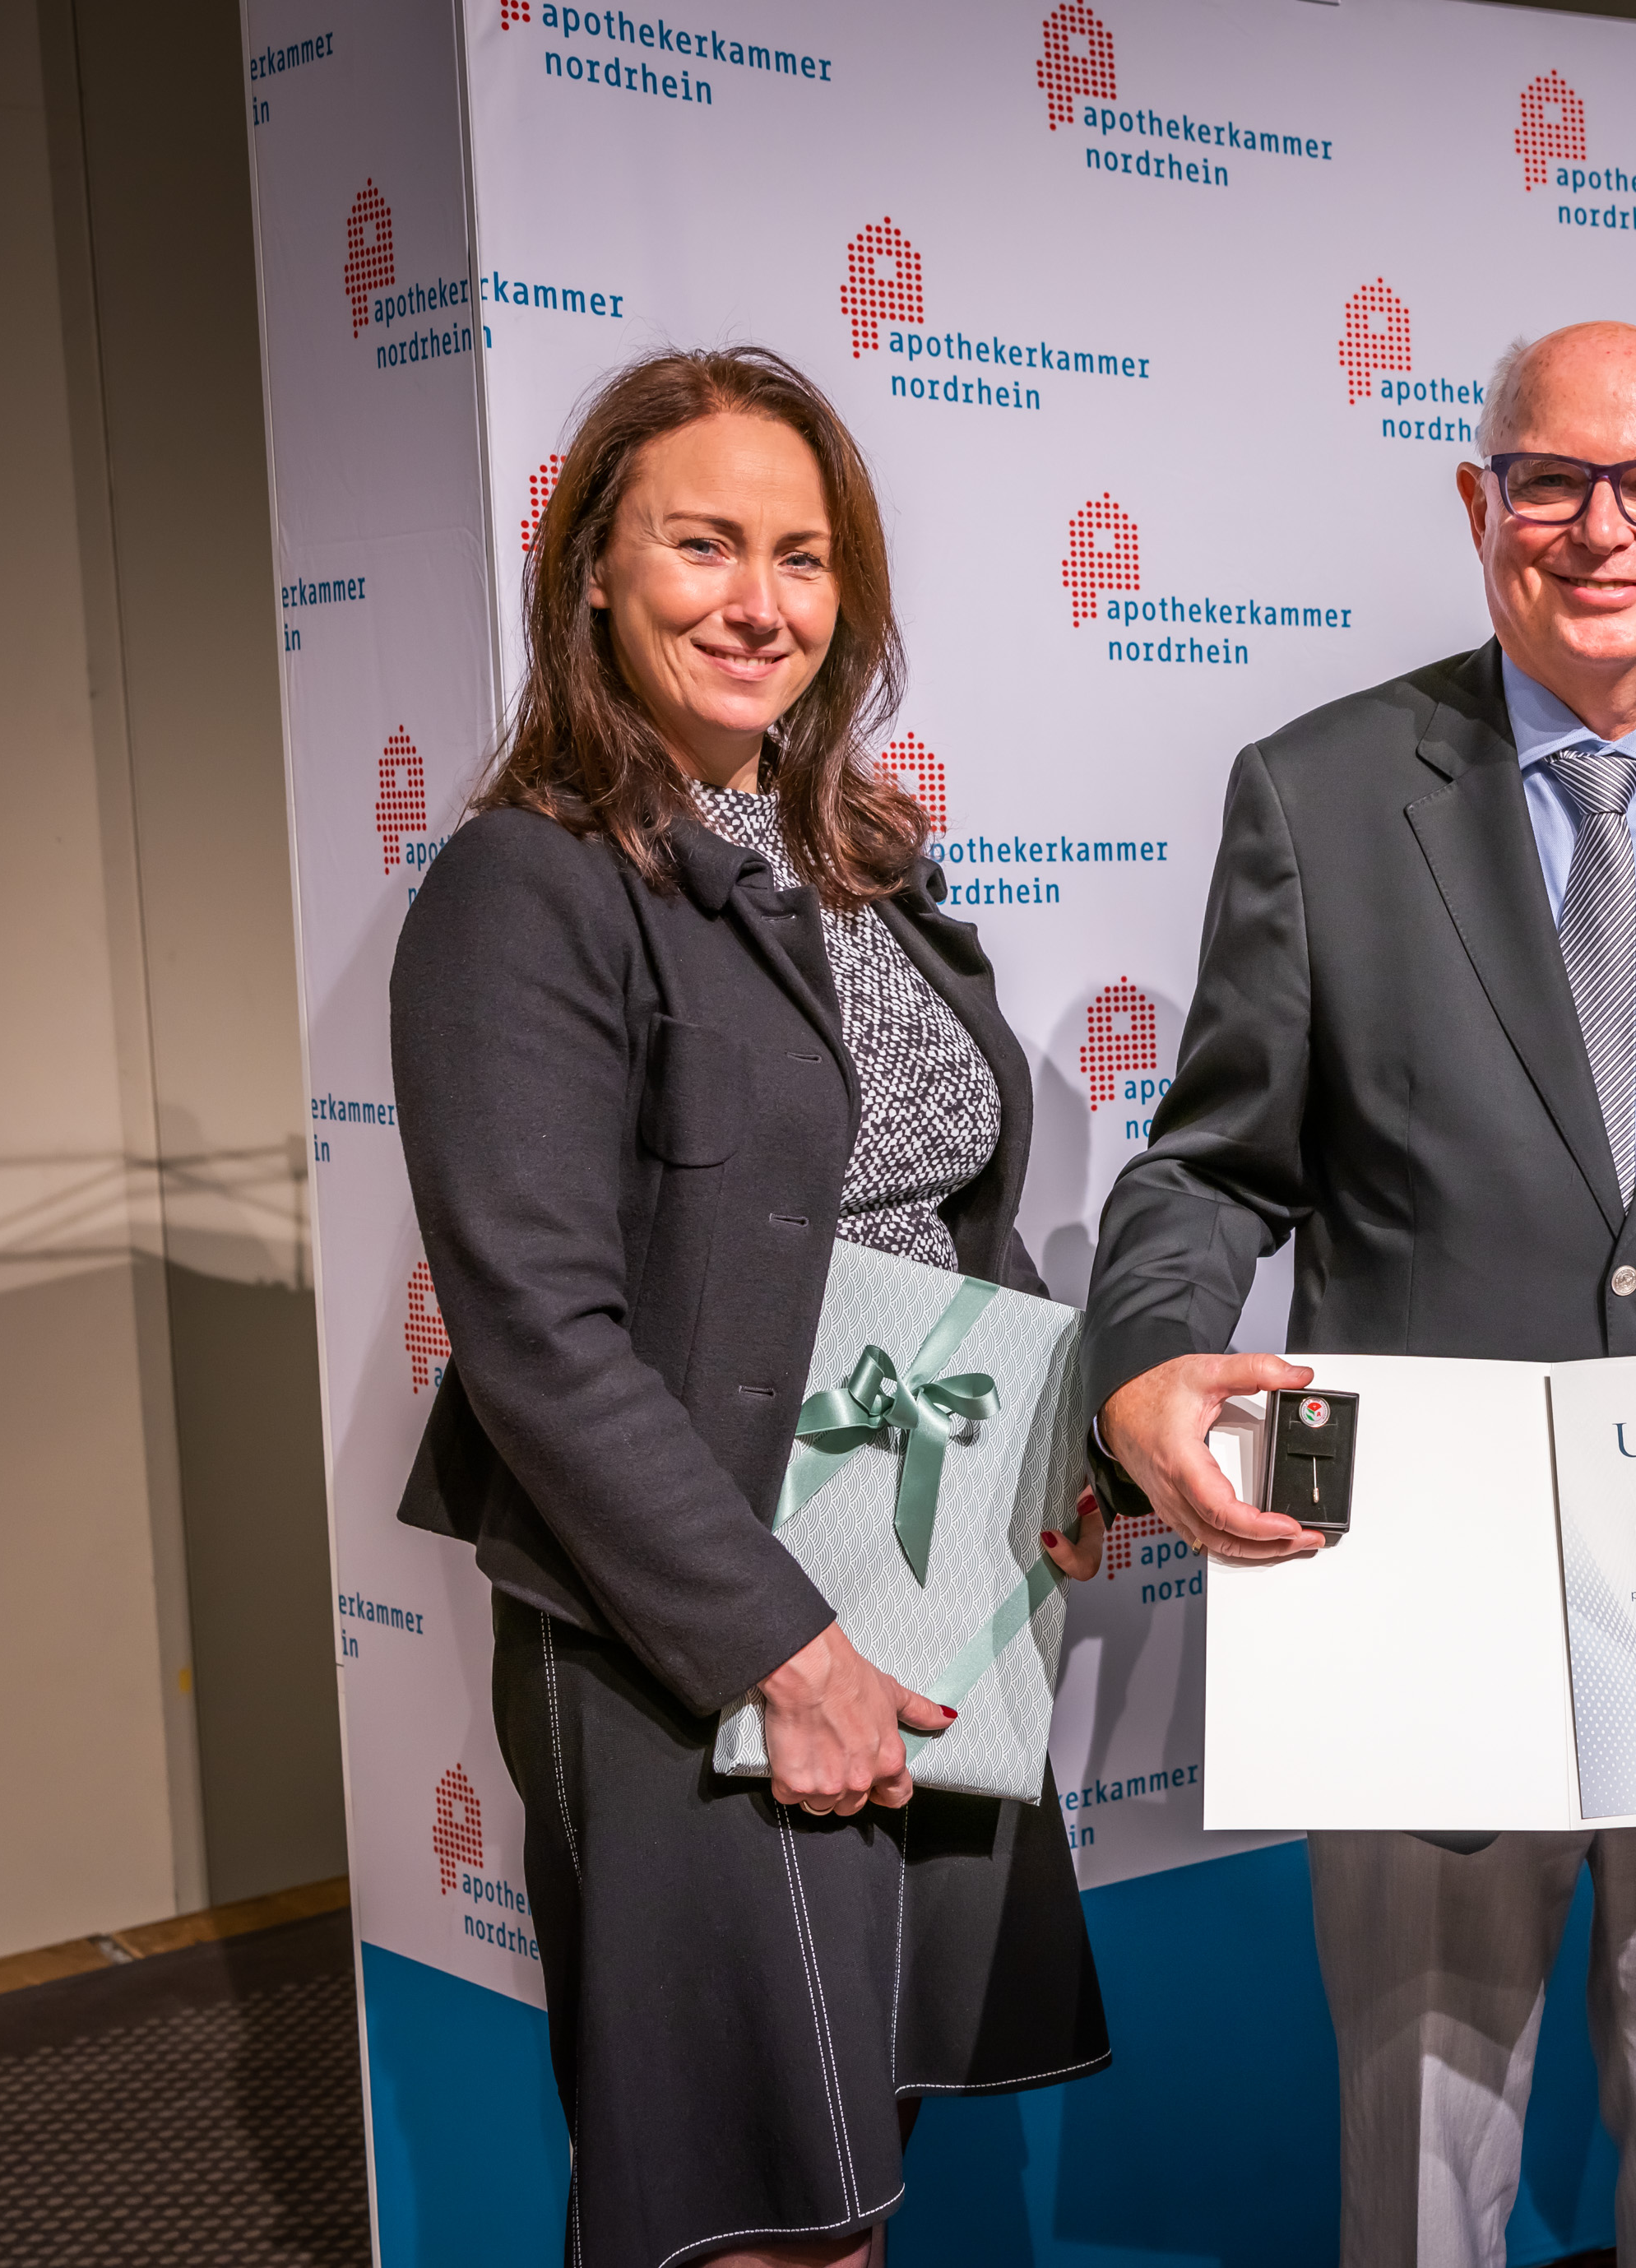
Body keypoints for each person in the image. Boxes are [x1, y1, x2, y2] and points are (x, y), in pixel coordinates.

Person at [1083, 321, 1636, 2267]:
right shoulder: (1320, 793)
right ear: (1478, 499)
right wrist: (1149, 1356)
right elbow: (1215, 1159)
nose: (1603, 527)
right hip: (1418, 1584)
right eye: (1551, 479)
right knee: (1421, 2172)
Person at [393, 348, 1111, 2268]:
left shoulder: (855, 866)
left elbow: (941, 1208)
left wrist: (1066, 1444)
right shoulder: (523, 884)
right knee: (754, 2211)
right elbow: (536, 1327)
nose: (760, 600)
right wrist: (779, 1650)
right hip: (687, 1619)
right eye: (703, 543)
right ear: (596, 575)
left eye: (802, 555)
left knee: (855, 2160)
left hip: (923, 1567)